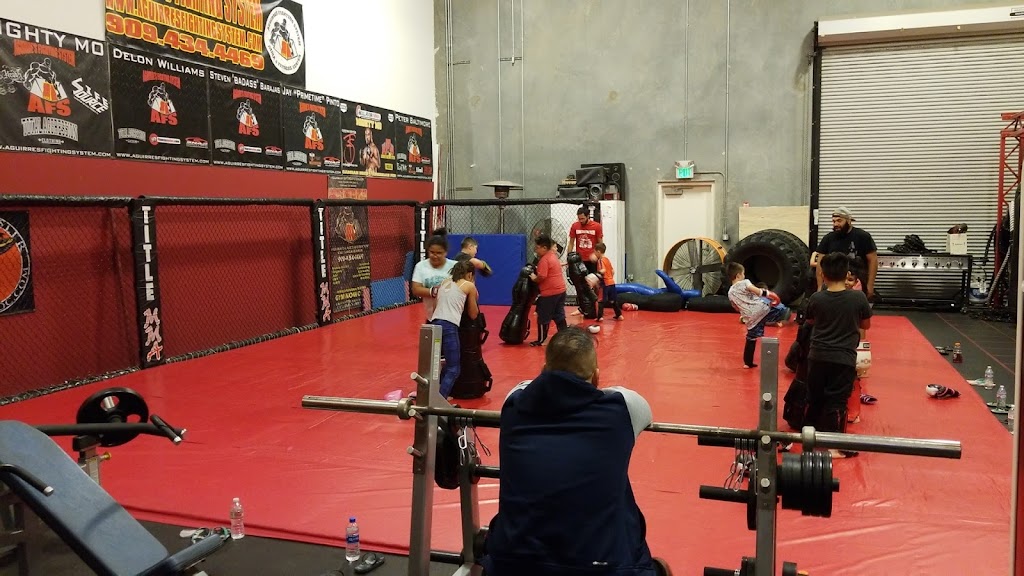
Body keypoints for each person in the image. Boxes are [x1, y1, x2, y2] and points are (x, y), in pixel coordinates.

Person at [480, 327, 673, 576]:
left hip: (512, 563)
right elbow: (638, 405)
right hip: (599, 567)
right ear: (596, 377)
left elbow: (526, 386)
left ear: (544, 370)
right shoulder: (622, 408)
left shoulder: (514, 403)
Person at [804, 252, 872, 458]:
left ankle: (808, 440)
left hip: (817, 356)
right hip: (843, 358)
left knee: (814, 398)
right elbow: (866, 324)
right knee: (837, 401)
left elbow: (810, 321)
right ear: (847, 274)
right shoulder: (858, 297)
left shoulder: (816, 298)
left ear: (823, 274)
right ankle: (834, 447)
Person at [429, 260, 479, 398]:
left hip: (434, 324)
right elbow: (473, 314)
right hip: (449, 326)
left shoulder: (444, 282)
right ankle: (439, 400)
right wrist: (473, 289)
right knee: (453, 368)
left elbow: (435, 307)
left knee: (438, 365)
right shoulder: (468, 285)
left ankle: (436, 394)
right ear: (470, 274)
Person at [726, 263, 791, 368]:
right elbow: (758, 291)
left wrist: (745, 313)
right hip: (761, 309)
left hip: (750, 318)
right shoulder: (745, 282)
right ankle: (777, 319)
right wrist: (770, 294)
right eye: (743, 274)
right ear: (738, 275)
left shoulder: (730, 293)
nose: (744, 276)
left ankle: (748, 363)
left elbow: (736, 307)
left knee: (751, 338)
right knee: (783, 310)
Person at [810, 206, 877, 301]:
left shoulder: (863, 236)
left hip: (856, 284)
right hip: (833, 285)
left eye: (839, 221)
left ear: (849, 221)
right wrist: (820, 286)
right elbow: (820, 264)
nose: (836, 224)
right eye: (833, 221)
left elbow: (873, 261)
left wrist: (870, 285)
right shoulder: (828, 238)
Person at [528, 234, 567, 347]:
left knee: (543, 317)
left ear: (544, 248)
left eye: (537, 247)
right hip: (561, 291)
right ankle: (565, 336)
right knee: (559, 315)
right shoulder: (553, 256)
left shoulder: (544, 259)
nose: (536, 250)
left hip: (550, 293)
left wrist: (534, 278)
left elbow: (542, 276)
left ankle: (541, 340)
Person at [411, 229, 457, 322]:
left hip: (453, 318)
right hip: (431, 317)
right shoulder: (421, 266)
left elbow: (464, 287)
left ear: (445, 252)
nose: (435, 256)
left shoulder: (454, 266)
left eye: (439, 253)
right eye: (432, 252)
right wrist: (433, 291)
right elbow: (416, 289)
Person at [569, 206, 603, 275]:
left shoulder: (597, 226)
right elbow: (571, 243)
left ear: (588, 216)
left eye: (582, 219)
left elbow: (600, 244)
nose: (581, 221)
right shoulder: (575, 226)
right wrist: (569, 257)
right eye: (579, 219)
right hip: (579, 260)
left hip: (592, 259)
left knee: (593, 278)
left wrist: (598, 256)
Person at [594, 242, 622, 321]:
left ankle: (600, 317)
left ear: (598, 252)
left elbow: (603, 270)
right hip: (611, 282)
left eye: (595, 252)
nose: (594, 254)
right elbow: (613, 271)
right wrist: (610, 278)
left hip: (605, 283)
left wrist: (596, 274)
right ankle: (619, 315)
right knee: (613, 300)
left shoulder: (600, 260)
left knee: (601, 300)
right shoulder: (607, 259)